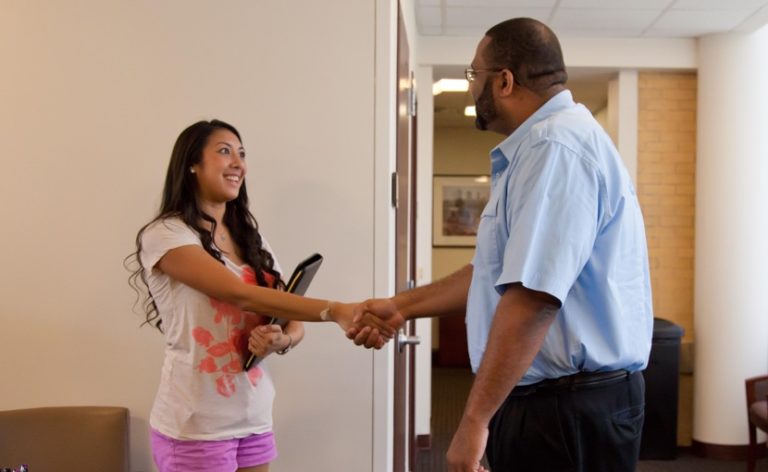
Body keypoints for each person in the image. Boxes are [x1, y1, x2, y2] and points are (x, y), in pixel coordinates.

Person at [349, 17, 653, 472]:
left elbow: (533, 298)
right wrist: (402, 306)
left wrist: (473, 422)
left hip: (567, 410)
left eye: (475, 75)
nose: (473, 89)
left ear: (505, 81)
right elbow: (495, 272)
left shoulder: (557, 149)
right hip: (555, 402)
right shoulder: (540, 149)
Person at [127, 119, 390, 472]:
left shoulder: (251, 238)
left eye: (242, 154)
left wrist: (281, 339)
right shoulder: (166, 235)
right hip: (195, 424)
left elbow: (290, 318)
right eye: (224, 151)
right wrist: (335, 310)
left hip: (253, 416)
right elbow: (241, 295)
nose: (239, 163)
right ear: (192, 163)